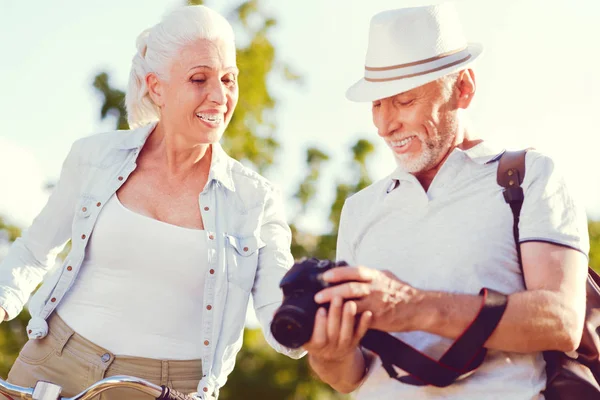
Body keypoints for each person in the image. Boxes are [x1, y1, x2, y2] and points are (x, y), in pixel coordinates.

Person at [0, 5, 303, 399]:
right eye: (199, 78)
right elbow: (33, 251)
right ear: (155, 86)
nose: (219, 95)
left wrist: (313, 322)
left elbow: (280, 307)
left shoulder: (255, 199)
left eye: (229, 79)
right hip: (52, 363)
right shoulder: (94, 157)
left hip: (164, 389)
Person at [302, 3, 589, 399]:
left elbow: (561, 320)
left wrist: (412, 306)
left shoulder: (528, 177)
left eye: (403, 101)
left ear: (463, 88)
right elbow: (351, 377)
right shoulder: (360, 209)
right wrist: (328, 354)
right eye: (377, 103)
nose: (386, 124)